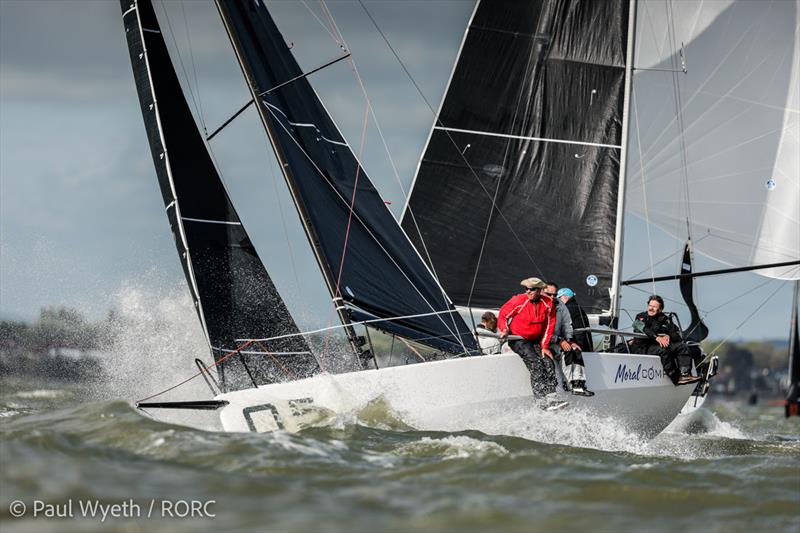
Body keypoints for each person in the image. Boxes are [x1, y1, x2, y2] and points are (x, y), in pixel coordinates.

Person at [498, 277, 567, 410]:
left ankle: (552, 397)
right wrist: (504, 329)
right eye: (526, 289)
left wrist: (545, 346)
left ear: (540, 290)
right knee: (535, 364)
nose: (528, 291)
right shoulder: (518, 300)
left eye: (532, 289)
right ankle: (540, 400)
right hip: (518, 339)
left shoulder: (547, 303)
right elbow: (503, 315)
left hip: (536, 340)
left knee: (548, 361)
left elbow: (549, 325)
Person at [628, 295, 701, 386]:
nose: (651, 308)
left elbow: (676, 334)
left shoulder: (664, 319)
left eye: (654, 307)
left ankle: (685, 374)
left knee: (682, 347)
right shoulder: (640, 317)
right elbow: (644, 328)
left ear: (660, 309)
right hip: (642, 347)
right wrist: (657, 338)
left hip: (656, 345)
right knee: (664, 351)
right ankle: (676, 378)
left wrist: (669, 335)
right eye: (650, 306)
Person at [544, 283, 594, 396]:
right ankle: (555, 390)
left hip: (556, 340)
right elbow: (541, 331)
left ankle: (577, 384)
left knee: (574, 351)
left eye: (555, 295)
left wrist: (570, 341)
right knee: (561, 354)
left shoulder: (561, 307)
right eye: (549, 294)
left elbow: (567, 325)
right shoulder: (541, 306)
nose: (553, 297)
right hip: (545, 342)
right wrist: (560, 341)